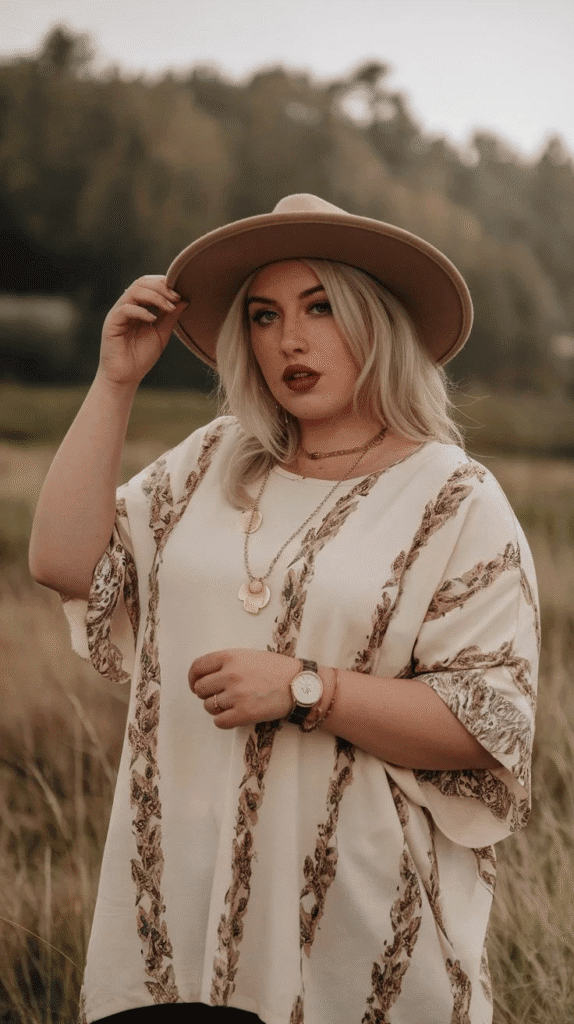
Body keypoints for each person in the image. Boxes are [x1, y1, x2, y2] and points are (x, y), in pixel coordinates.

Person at [29, 194, 539, 1024]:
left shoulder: (454, 498)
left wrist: (307, 687)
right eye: (263, 315)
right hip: (175, 897)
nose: (288, 340)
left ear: (376, 322)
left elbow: (491, 723)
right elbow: (61, 562)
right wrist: (115, 381)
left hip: (353, 923)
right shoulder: (210, 460)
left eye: (320, 307)